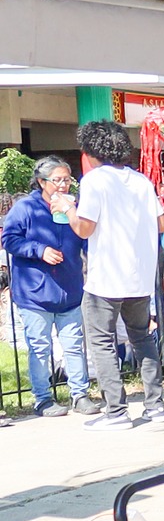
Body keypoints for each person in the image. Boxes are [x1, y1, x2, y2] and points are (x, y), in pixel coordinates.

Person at [71, 121, 164, 429]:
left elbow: (85, 228)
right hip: (139, 276)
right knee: (142, 337)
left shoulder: (94, 181)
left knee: (101, 341)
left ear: (89, 152)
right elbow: (162, 224)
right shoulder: (141, 181)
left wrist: (67, 208)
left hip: (106, 277)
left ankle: (116, 411)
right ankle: (156, 405)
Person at [1, 156, 94, 417]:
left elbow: (86, 238)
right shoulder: (26, 208)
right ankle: (42, 399)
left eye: (67, 179)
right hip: (35, 294)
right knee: (39, 347)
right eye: (57, 180)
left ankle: (80, 395)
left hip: (69, 289)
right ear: (42, 182)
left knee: (74, 345)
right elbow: (9, 239)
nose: (64, 185)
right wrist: (39, 250)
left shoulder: (74, 206)